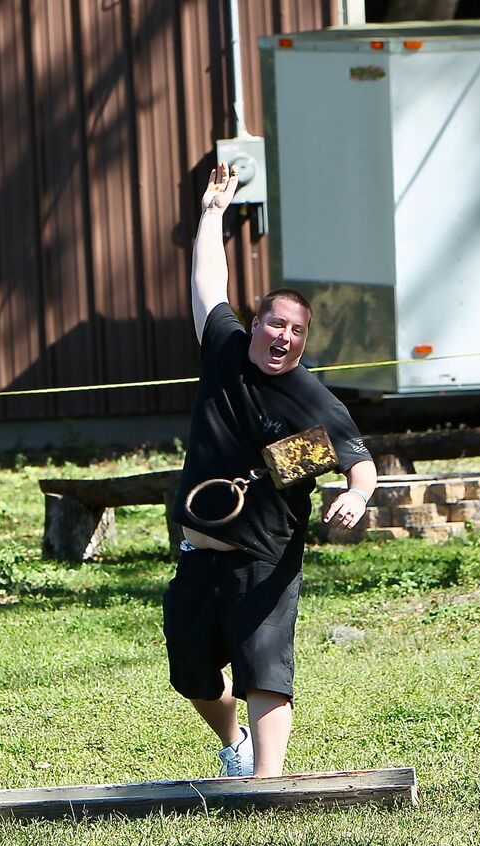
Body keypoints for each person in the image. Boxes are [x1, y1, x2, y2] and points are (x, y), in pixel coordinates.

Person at [162, 162, 377, 779]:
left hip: (265, 554)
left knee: (264, 667)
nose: (284, 337)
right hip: (199, 550)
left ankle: (268, 780)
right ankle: (237, 748)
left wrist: (356, 499)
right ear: (255, 323)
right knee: (191, 672)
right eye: (276, 323)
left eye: (297, 331)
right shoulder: (225, 349)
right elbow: (207, 281)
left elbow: (360, 466)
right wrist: (211, 214)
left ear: (305, 341)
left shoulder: (314, 402)